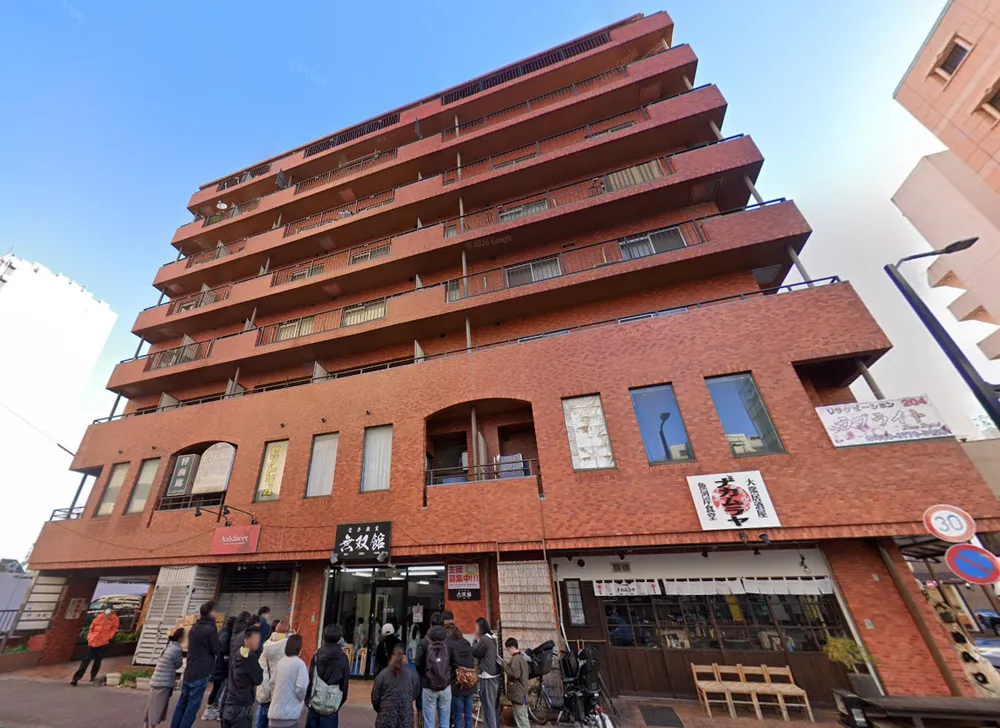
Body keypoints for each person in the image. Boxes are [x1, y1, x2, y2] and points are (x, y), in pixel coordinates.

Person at [171, 600, 219, 728]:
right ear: (210, 613)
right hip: (201, 671)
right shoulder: (211, 629)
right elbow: (215, 649)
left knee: (182, 703)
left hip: (190, 670)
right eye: (214, 611)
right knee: (192, 707)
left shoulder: (194, 627)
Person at [415, 612, 457, 728]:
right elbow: (455, 663)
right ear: (443, 624)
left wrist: (426, 677)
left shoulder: (424, 641)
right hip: (445, 685)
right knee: (444, 722)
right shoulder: (449, 641)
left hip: (429, 686)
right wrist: (449, 677)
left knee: (429, 722)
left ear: (430, 624)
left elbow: (417, 663)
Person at [306, 624, 351, 728]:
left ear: (324, 637)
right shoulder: (343, 658)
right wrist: (338, 703)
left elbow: (311, 679)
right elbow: (344, 685)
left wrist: (308, 700)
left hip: (315, 702)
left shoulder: (317, 655)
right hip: (331, 704)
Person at [223, 625, 264, 728]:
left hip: (229, 704)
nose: (258, 642)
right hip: (242, 706)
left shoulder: (237, 653)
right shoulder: (250, 658)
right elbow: (258, 679)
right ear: (247, 640)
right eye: (256, 638)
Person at [70, 602, 120, 685]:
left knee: (98, 660)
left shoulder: (114, 618)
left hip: (103, 642)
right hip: (93, 641)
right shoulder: (99, 616)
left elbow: (114, 629)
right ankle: (76, 678)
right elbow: (92, 627)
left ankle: (93, 676)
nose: (107, 610)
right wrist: (90, 637)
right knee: (86, 659)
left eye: (109, 609)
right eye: (106, 609)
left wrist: (108, 637)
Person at [372, 643, 420, 728]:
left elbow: (375, 697)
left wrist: (381, 709)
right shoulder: (413, 674)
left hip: (385, 718)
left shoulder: (383, 674)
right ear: (405, 656)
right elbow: (415, 693)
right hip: (406, 718)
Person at [144, 627, 185, 727]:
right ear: (181, 638)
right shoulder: (177, 649)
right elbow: (178, 664)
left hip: (156, 679)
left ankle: (146, 725)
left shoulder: (168, 646)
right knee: (157, 708)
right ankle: (151, 726)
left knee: (151, 706)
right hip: (164, 682)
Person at [267, 633, 309, 728]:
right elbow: (302, 687)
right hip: (290, 716)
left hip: (274, 713)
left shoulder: (280, 662)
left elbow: (272, 683)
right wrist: (300, 700)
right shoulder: (300, 664)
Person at [443, 614, 475, 728]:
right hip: (470, 684)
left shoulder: (452, 646)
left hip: (458, 684)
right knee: (468, 716)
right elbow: (472, 662)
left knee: (457, 716)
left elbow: (452, 664)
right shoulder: (468, 644)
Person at [256, 620, 289, 728]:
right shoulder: (287, 646)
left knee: (262, 716)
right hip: (279, 688)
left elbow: (261, 665)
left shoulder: (267, 644)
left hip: (266, 686)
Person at [472, 618, 500, 728]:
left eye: (476, 627)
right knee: (493, 707)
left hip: (487, 676)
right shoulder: (491, 638)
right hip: (494, 675)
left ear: (480, 628)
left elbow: (475, 652)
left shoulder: (484, 639)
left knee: (488, 707)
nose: (475, 629)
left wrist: (475, 640)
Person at [207, 616, 237, 709]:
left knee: (217, 688)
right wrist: (227, 655)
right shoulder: (227, 634)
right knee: (218, 688)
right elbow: (224, 647)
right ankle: (211, 706)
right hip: (221, 667)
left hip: (218, 665)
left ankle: (211, 706)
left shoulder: (223, 632)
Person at [503, 638, 530, 728]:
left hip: (518, 693)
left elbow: (515, 674)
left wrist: (504, 665)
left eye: (508, 649)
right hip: (522, 693)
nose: (508, 651)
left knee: (521, 719)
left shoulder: (516, 659)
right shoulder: (521, 657)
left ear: (511, 647)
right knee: (523, 717)